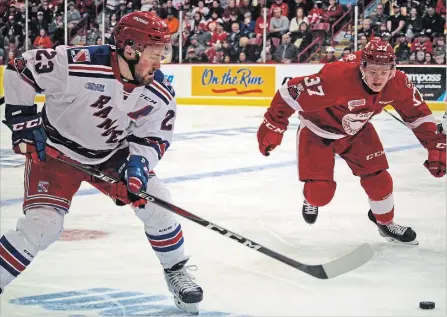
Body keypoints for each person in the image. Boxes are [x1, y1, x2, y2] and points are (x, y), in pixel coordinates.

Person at [0, 11, 203, 314]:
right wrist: (22, 119)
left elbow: (153, 138)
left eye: (164, 54)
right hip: (55, 153)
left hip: (110, 156)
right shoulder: (78, 63)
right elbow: (19, 68)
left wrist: (138, 165)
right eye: (154, 54)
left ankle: (175, 270)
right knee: (42, 227)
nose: (159, 62)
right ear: (130, 49)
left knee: (157, 201)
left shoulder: (159, 92)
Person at [256, 38, 445, 245]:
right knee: (320, 194)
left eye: (384, 72)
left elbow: (419, 115)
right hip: (317, 131)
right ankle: (310, 198)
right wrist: (273, 126)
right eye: (372, 71)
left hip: (356, 131)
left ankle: (385, 223)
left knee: (379, 180)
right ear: (362, 67)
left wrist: (435, 143)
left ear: (392, 70)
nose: (378, 78)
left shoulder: (398, 82)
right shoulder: (337, 77)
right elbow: (289, 92)